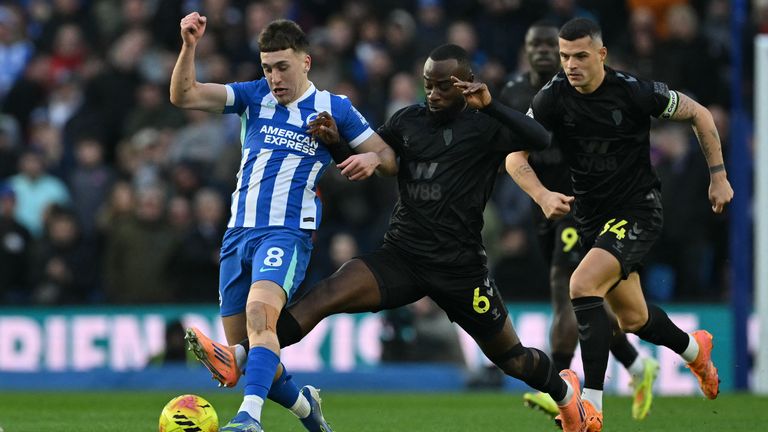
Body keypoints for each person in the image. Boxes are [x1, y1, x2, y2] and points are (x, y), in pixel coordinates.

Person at [188, 43, 593, 432]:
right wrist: (336, 143)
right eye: (427, 83)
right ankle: (240, 356)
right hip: (402, 255)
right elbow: (380, 156)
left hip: (460, 268)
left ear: (467, 83)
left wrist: (493, 106)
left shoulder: (487, 127)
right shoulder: (408, 121)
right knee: (326, 295)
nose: (432, 93)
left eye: (442, 85)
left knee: (513, 359)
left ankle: (564, 391)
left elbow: (541, 139)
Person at [170, 13, 397, 432]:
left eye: (282, 67)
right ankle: (308, 410)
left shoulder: (335, 108)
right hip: (237, 235)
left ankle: (248, 419)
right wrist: (189, 46)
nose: (274, 77)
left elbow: (388, 158)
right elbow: (184, 95)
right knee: (249, 352)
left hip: (286, 232)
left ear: (305, 62)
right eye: (267, 68)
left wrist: (369, 156)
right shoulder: (253, 96)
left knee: (261, 319)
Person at [505, 18, 733, 431]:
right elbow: (514, 156)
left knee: (580, 285)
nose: (570, 65)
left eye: (579, 56)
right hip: (592, 219)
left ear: (601, 55)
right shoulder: (553, 97)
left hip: (638, 210)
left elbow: (699, 113)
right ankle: (693, 350)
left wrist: (718, 175)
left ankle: (591, 407)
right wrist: (541, 194)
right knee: (632, 319)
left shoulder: (633, 91)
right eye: (564, 56)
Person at [499, 21, 659, 421]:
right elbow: (504, 148)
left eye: (548, 47)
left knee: (567, 291)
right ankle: (639, 367)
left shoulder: (580, 90)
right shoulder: (518, 93)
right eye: (533, 44)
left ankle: (561, 391)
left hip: (574, 204)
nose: (541, 52)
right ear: (525, 49)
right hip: (543, 207)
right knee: (594, 300)